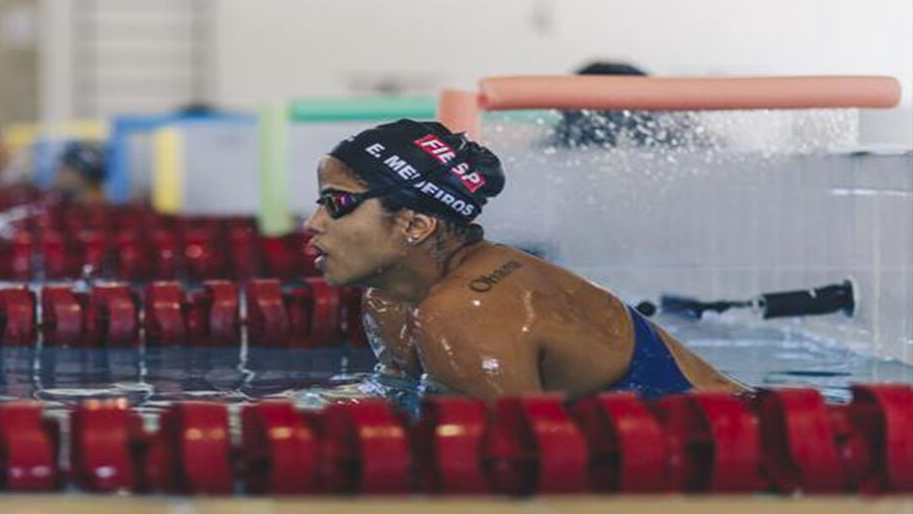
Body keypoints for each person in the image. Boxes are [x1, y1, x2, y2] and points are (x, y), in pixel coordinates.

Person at [303, 119, 744, 400]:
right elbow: (399, 396)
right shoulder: (389, 299)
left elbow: (508, 468)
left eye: (336, 203)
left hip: (746, 442)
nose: (312, 222)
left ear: (416, 226)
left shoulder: (463, 314)